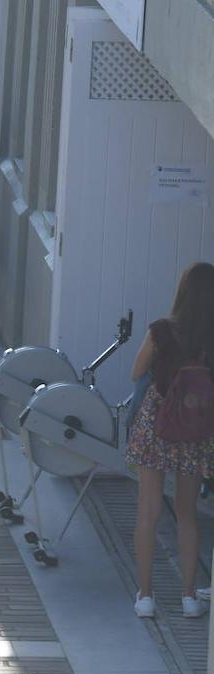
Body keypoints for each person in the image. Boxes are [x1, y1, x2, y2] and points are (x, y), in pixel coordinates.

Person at [127, 262, 214, 620]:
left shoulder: (161, 330)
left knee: (148, 511)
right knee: (187, 513)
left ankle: (146, 596)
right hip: (195, 431)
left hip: (156, 425)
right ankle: (189, 597)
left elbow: (136, 372)